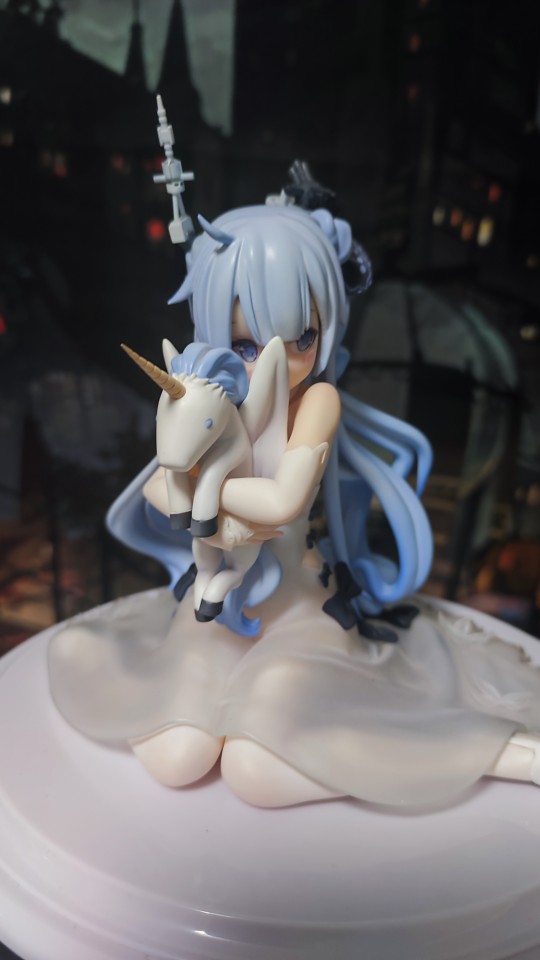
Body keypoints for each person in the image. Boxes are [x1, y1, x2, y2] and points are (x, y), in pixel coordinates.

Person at [49, 201, 540, 807]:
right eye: (244, 342)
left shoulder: (318, 402)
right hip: (222, 604)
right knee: (178, 756)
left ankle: (474, 750)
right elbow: (158, 482)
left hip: (301, 604)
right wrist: (198, 495)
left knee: (257, 766)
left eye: (302, 336)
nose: (275, 358)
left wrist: (205, 496)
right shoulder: (209, 396)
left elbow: (283, 500)